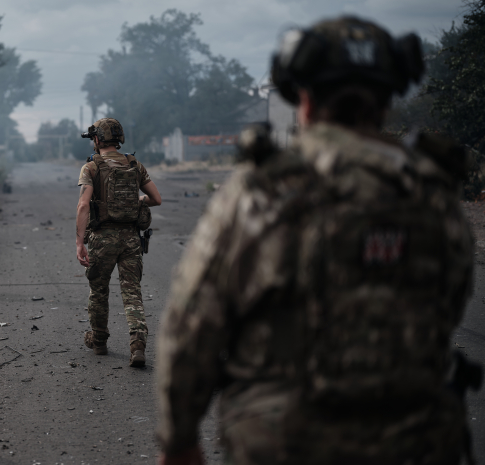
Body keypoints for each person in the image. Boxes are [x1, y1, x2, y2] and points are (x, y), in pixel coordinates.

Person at [156, 16, 481, 465]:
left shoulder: (262, 190)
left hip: (283, 442)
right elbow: (452, 299)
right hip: (415, 441)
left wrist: (179, 438)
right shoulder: (433, 190)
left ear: (303, 97)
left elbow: (193, 322)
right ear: (386, 101)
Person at [76, 117, 162, 368]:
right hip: (131, 239)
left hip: (102, 239)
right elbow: (156, 198)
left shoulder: (91, 168)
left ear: (97, 140)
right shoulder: (135, 164)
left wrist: (80, 242)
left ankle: (100, 341)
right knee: (132, 292)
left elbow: (83, 205)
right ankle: (137, 344)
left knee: (99, 289)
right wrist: (138, 202)